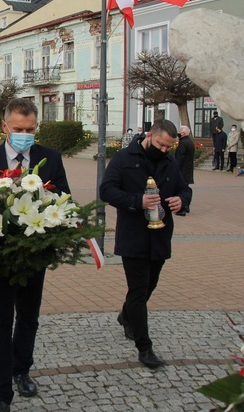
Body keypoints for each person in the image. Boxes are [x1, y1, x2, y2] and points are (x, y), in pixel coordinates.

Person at [0, 98, 70, 412]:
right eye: (19, 129)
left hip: (33, 256)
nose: (25, 134)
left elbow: (64, 199)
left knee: (28, 317)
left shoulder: (50, 158)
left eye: (31, 129)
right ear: (4, 127)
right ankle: (0, 395)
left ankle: (21, 370)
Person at [100, 119, 191, 370]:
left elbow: (185, 189)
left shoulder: (170, 161)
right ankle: (144, 347)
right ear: (150, 135)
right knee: (139, 290)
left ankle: (125, 315)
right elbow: (106, 190)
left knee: (150, 285)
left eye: (168, 148)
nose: (164, 151)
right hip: (133, 236)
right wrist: (137, 201)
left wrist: (181, 201)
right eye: (161, 145)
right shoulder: (123, 157)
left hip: (160, 235)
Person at [174, 125, 195, 216]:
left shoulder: (183, 143)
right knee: (185, 189)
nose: (178, 132)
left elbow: (179, 158)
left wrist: (174, 168)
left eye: (180, 130)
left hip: (182, 171)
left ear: (183, 133)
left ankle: (182, 208)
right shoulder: (189, 142)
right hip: (187, 170)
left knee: (181, 190)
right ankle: (186, 206)